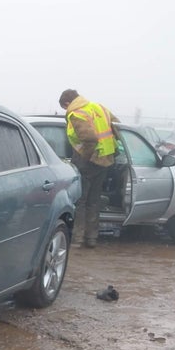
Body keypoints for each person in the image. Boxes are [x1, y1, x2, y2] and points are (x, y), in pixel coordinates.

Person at [58, 89, 120, 248]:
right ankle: (92, 238)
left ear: (67, 103)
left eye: (65, 108)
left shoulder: (76, 113)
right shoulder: (98, 107)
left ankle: (77, 239)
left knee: (81, 201)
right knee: (94, 201)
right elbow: (117, 125)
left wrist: (85, 157)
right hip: (105, 159)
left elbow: (90, 138)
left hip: (89, 161)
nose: (66, 111)